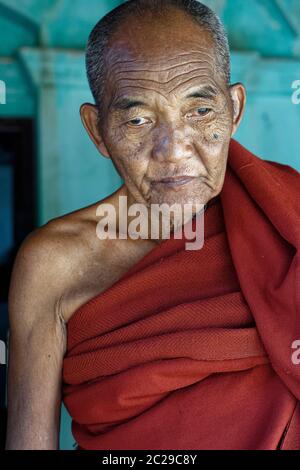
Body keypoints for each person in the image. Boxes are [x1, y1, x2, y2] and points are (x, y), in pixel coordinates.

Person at [5, 0, 300, 450]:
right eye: (139, 120)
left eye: (200, 112)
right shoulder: (55, 264)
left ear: (235, 109)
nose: (174, 150)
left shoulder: (288, 218)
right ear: (98, 130)